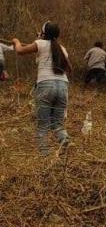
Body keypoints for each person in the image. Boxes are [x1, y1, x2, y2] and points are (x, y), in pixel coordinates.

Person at [12, 22, 72, 155]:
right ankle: (64, 140)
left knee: (43, 125)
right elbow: (69, 69)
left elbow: (20, 50)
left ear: (43, 33)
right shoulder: (62, 48)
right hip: (63, 86)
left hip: (46, 85)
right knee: (58, 123)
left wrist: (16, 41)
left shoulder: (40, 44)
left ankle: (45, 155)